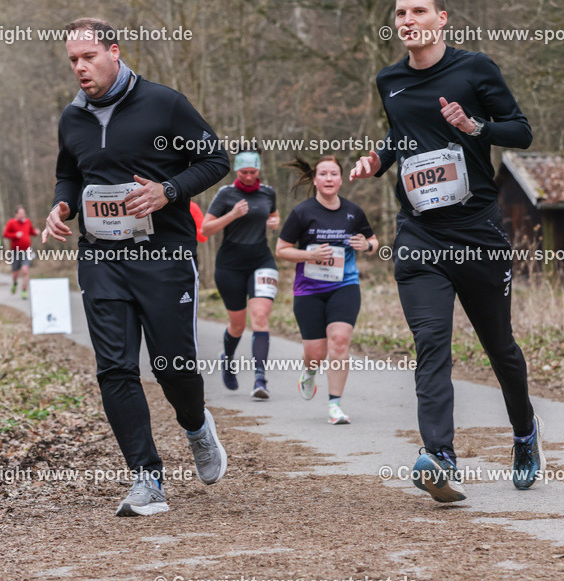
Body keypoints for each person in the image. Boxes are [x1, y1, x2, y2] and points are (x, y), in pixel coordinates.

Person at [349, 0, 542, 502]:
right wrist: (377, 159)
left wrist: (475, 128)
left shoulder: (474, 68)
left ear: (442, 19)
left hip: (477, 232)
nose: (407, 20)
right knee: (431, 343)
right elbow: (402, 134)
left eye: (418, 10)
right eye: (399, 13)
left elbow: (520, 131)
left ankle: (525, 434)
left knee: (500, 348)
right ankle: (440, 456)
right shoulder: (388, 80)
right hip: (419, 236)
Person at [43, 17, 230, 516]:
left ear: (114, 52)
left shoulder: (163, 103)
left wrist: (167, 191)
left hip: (164, 257)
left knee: (173, 366)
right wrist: (62, 207)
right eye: (73, 61)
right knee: (115, 368)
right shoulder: (72, 118)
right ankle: (147, 480)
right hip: (102, 259)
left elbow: (215, 160)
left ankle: (196, 427)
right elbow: (68, 175)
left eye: (88, 57)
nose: (80, 68)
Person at [276, 156, 377, 425]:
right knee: (316, 353)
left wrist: (365, 246)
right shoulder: (302, 212)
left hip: (345, 285)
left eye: (334, 174)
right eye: (323, 174)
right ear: (316, 179)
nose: (329, 178)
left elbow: (373, 241)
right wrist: (308, 256)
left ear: (341, 179)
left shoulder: (353, 212)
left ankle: (335, 406)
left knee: (340, 341)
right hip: (308, 290)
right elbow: (281, 250)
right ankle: (309, 371)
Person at [202, 151, 280, 400]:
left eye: (253, 172)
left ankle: (260, 379)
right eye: (243, 172)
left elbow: (274, 214)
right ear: (237, 172)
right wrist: (232, 215)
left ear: (259, 171)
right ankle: (228, 359)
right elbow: (205, 229)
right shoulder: (226, 194)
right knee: (237, 324)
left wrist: (275, 222)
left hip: (262, 262)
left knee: (260, 317)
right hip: (230, 266)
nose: (248, 177)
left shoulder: (268, 192)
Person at [3, 205, 38, 298]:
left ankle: (24, 291)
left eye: (24, 213)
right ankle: (15, 283)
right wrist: (15, 235)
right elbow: (5, 234)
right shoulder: (11, 222)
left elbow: (31, 232)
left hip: (26, 251)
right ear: (16, 214)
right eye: (21, 213)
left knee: (25, 271)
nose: (23, 215)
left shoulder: (27, 222)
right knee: (15, 273)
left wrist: (36, 233)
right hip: (15, 251)